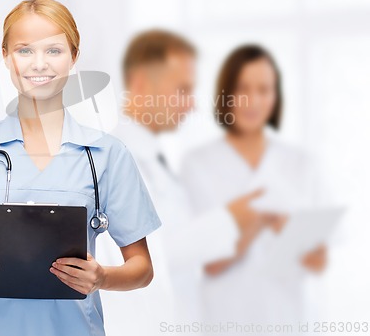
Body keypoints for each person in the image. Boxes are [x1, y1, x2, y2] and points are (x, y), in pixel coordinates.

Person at [0, 0, 161, 336]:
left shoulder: (107, 154)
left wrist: (103, 277)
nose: (39, 64)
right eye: (24, 50)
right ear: (5, 56)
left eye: (54, 51)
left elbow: (142, 268)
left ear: (74, 57)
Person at [96, 30, 268, 335]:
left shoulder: (159, 160)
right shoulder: (114, 160)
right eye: (182, 91)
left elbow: (184, 254)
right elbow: (145, 259)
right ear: (140, 85)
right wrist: (231, 220)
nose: (191, 105)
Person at [180, 44, 331, 335]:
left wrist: (280, 228)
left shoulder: (301, 163)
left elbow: (318, 260)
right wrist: (258, 222)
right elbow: (207, 263)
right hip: (224, 320)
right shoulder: (197, 164)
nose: (253, 100)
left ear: (276, 96)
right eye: (242, 89)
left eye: (264, 90)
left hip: (289, 319)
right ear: (226, 94)